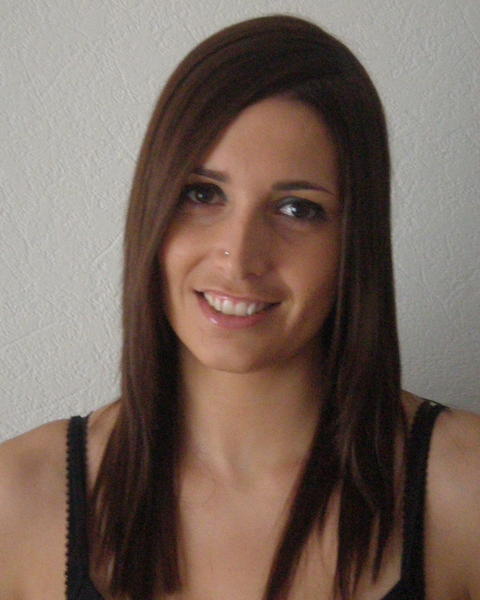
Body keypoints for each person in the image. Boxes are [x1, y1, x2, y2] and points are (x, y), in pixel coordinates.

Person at [0, 13, 479, 600]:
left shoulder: (466, 491)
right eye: (203, 194)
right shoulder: (17, 500)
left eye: (297, 208)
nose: (239, 259)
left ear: (356, 241)